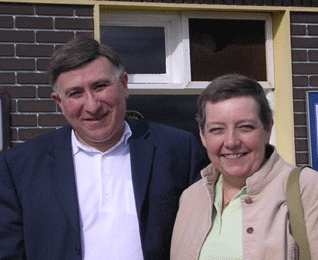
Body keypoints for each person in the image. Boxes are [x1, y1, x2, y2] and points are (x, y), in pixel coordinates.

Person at [0, 36, 208, 260]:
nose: (92, 105)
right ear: (59, 102)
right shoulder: (19, 166)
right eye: (75, 93)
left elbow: (205, 232)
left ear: (124, 85)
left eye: (100, 86)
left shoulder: (178, 149)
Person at [170, 74, 318, 260]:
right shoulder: (190, 198)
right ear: (202, 135)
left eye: (245, 127)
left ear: (267, 129)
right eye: (217, 129)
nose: (231, 142)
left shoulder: (308, 189)